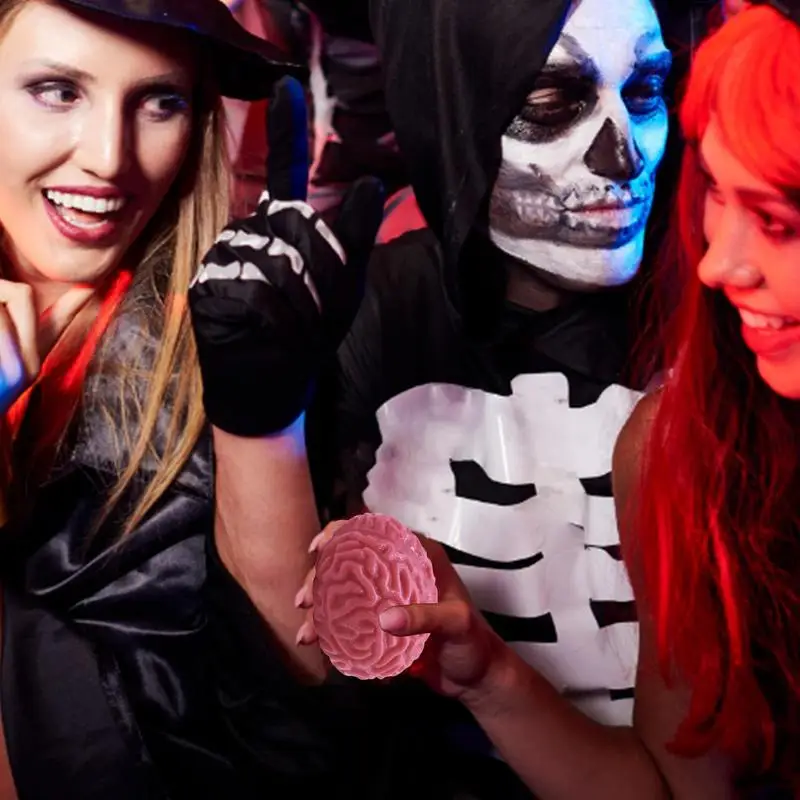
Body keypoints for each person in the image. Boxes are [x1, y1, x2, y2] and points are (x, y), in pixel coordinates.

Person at [300, 0, 800, 796]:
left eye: (645, 92)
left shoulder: (714, 370)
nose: (622, 155)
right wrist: (253, 422)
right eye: (549, 101)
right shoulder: (682, 432)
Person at [0, 0, 382, 797]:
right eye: (58, 91)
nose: (108, 158)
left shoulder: (191, 374)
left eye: (159, 101)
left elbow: (276, 741)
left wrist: (263, 423)